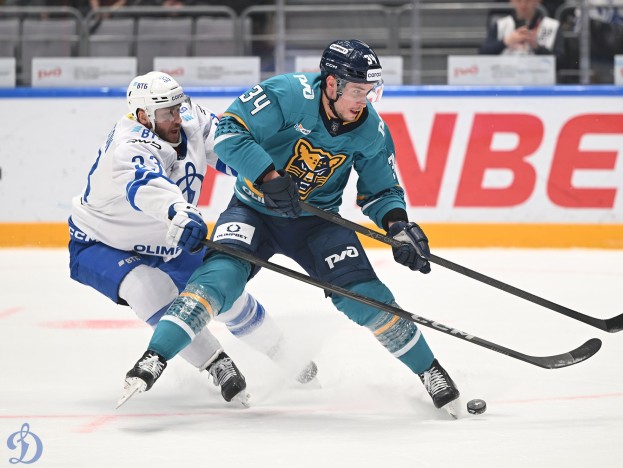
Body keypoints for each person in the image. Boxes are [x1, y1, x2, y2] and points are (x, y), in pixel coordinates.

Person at [120, 39, 461, 414]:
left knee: (365, 297)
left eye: (370, 92)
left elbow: (381, 190)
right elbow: (229, 132)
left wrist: (397, 226)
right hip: (252, 211)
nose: (363, 101)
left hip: (318, 224)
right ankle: (156, 356)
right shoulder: (287, 94)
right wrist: (267, 176)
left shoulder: (372, 131)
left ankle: (431, 371)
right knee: (219, 281)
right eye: (357, 91)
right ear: (331, 84)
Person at [68, 71, 306, 408]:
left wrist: (266, 176)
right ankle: (216, 363)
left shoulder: (191, 118)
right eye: (167, 113)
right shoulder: (128, 146)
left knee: (227, 296)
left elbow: (228, 149)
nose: (177, 118)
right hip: (102, 241)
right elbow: (147, 185)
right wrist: (180, 213)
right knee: (148, 290)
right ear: (143, 116)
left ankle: (285, 353)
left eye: (178, 108)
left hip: (166, 238)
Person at [479, 0, 565, 67]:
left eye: (528, 1)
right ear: (512, 1)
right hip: (506, 80)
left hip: (542, 82)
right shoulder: (501, 25)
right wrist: (505, 42)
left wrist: (537, 47)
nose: (523, 5)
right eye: (519, 1)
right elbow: (482, 55)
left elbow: (561, 63)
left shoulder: (551, 26)